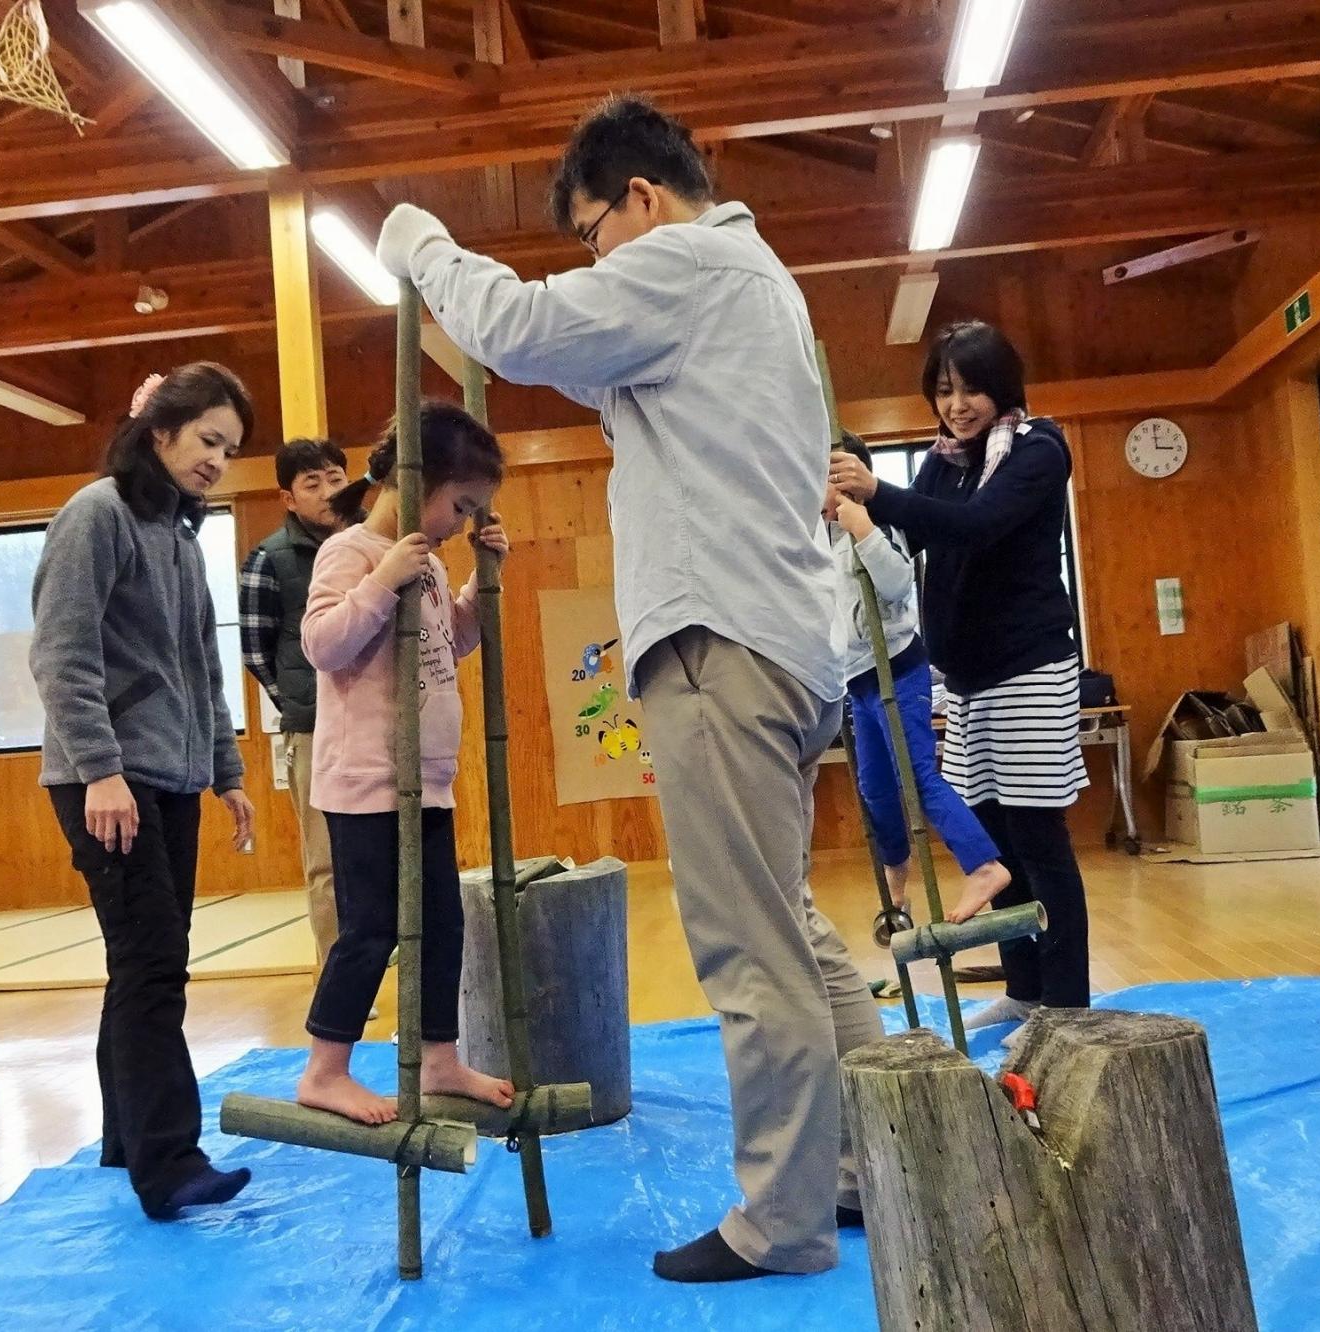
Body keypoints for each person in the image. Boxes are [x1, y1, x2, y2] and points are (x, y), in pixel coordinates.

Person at [375, 94, 884, 1283]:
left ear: (642, 201)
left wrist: (417, 244)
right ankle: (856, 1163)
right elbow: (587, 372)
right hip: (777, 643)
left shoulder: (692, 261)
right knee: (793, 934)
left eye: (594, 233)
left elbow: (519, 325)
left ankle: (785, 1222)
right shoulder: (758, 286)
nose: (596, 260)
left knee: (751, 954)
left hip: (723, 645)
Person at [30, 363, 259, 1220]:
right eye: (207, 440)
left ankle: (127, 1138)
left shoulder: (180, 537)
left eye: (229, 450)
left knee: (145, 964)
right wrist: (100, 770)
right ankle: (169, 1165)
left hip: (166, 777)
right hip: (105, 782)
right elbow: (62, 656)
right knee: (154, 963)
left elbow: (202, 667)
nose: (216, 461)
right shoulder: (98, 516)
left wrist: (227, 773)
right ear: (159, 432)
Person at [828, 322, 1093, 1033]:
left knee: (1039, 836)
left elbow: (974, 525)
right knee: (998, 839)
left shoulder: (1038, 450)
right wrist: (844, 514)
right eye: (944, 391)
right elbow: (909, 538)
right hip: (966, 676)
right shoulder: (945, 461)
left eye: (971, 388)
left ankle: (1067, 1003)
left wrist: (875, 490)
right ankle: (1025, 986)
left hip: (1029, 667)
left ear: (1002, 386)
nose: (957, 405)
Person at [294, 401, 517, 1126]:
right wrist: (383, 577)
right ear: (421, 482)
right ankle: (325, 1070)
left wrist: (478, 587)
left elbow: (448, 645)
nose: (462, 520)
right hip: (366, 786)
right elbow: (324, 645)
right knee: (371, 928)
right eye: (462, 504)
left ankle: (440, 1055)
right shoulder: (353, 553)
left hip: (427, 784)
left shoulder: (423, 562)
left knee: (443, 922)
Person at [826, 433, 1010, 929]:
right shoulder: (818, 537)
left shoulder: (880, 522)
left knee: (918, 777)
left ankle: (985, 865)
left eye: (824, 475)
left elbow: (896, 583)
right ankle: (896, 882)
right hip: (858, 681)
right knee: (876, 788)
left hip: (898, 669)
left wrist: (863, 529)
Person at [240, 439, 350, 972]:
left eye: (335, 477)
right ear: (288, 497)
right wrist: (300, 700)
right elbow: (256, 652)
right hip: (312, 727)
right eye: (313, 483)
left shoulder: (373, 543)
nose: (330, 491)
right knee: (325, 861)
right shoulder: (269, 558)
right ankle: (336, 975)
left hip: (378, 722)